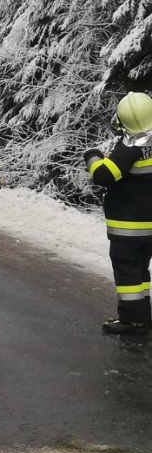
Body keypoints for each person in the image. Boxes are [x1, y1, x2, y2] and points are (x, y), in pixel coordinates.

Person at [83, 91, 152, 335]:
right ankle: (143, 313)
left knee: (128, 271)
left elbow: (104, 175)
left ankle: (133, 320)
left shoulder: (131, 147)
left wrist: (92, 157)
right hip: (148, 228)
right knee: (141, 271)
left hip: (129, 228)